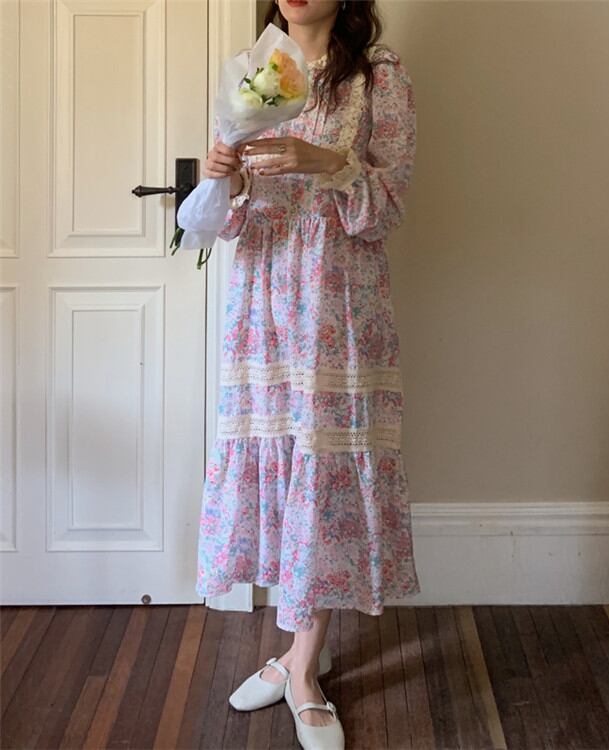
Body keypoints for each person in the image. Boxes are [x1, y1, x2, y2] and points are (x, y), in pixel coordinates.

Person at [195, 0, 420, 746]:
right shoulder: (258, 72)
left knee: (321, 466)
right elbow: (233, 222)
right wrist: (224, 178)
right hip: (263, 294)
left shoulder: (378, 77)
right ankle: (296, 654)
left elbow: (388, 205)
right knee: (280, 463)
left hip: (336, 297)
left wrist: (323, 161)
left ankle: (301, 672)